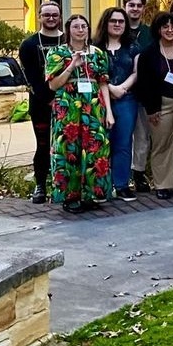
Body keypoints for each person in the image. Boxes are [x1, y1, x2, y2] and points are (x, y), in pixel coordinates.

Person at [46, 15, 113, 213]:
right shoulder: (57, 53)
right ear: (68, 30)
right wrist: (71, 66)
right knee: (68, 151)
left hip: (92, 108)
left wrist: (108, 111)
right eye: (76, 26)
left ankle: (91, 194)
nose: (81, 30)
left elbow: (103, 83)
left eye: (84, 26)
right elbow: (53, 84)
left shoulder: (98, 53)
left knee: (94, 150)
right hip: (67, 109)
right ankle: (70, 196)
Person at [135, 11, 173, 200]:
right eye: (165, 26)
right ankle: (163, 184)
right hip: (160, 104)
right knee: (162, 145)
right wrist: (151, 109)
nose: (169, 30)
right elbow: (143, 84)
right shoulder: (148, 53)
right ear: (158, 29)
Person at [20, 1, 65, 203]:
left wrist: (60, 99)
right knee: (44, 144)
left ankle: (64, 185)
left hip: (67, 103)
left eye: (55, 15)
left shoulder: (67, 40)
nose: (51, 19)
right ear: (39, 16)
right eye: (46, 15)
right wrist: (48, 99)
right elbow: (32, 78)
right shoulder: (29, 45)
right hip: (40, 104)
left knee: (66, 145)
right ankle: (40, 184)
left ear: (60, 17)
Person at [94, 8, 140, 202]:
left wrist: (122, 88)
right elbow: (92, 73)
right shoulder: (95, 47)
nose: (117, 24)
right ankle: (100, 187)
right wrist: (110, 88)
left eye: (121, 21)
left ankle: (121, 185)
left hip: (126, 99)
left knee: (123, 143)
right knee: (100, 143)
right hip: (99, 101)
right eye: (113, 21)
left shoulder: (133, 46)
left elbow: (137, 71)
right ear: (106, 23)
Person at [123, 0, 152, 192]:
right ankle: (119, 176)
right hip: (119, 91)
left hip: (142, 91)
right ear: (125, 6)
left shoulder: (149, 32)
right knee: (122, 136)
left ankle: (139, 173)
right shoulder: (116, 28)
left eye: (138, 5)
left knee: (142, 135)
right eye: (131, 5)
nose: (135, 9)